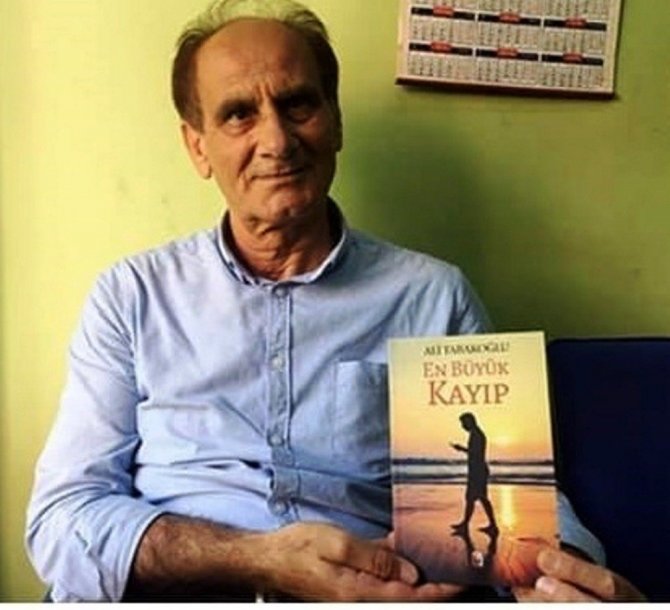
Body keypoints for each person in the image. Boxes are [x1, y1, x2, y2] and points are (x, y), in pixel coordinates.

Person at [26, 0, 645, 602]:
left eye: (297, 104)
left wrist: (561, 574)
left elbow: (504, 499)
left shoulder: (430, 298)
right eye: (239, 114)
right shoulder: (132, 296)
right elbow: (63, 519)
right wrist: (258, 558)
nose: (277, 140)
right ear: (197, 147)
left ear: (335, 120)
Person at [450, 412, 498, 533]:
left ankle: (488, 525)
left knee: (476, 498)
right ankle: (469, 524)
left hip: (478, 471)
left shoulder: (477, 435)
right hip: (478, 471)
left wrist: (462, 449)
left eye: (463, 423)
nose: (462, 426)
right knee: (476, 498)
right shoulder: (476, 433)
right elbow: (475, 452)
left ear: (470, 422)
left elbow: (475, 453)